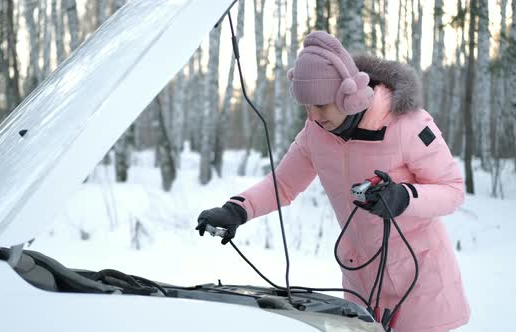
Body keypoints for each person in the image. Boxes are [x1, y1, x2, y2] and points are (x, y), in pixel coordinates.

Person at [195, 31, 470, 332]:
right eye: (307, 106)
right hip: (359, 284)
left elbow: (452, 190)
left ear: (346, 95)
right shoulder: (316, 133)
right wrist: (236, 210)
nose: (313, 115)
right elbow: (283, 184)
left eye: (321, 105)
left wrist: (403, 197)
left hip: (420, 286)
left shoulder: (407, 123)